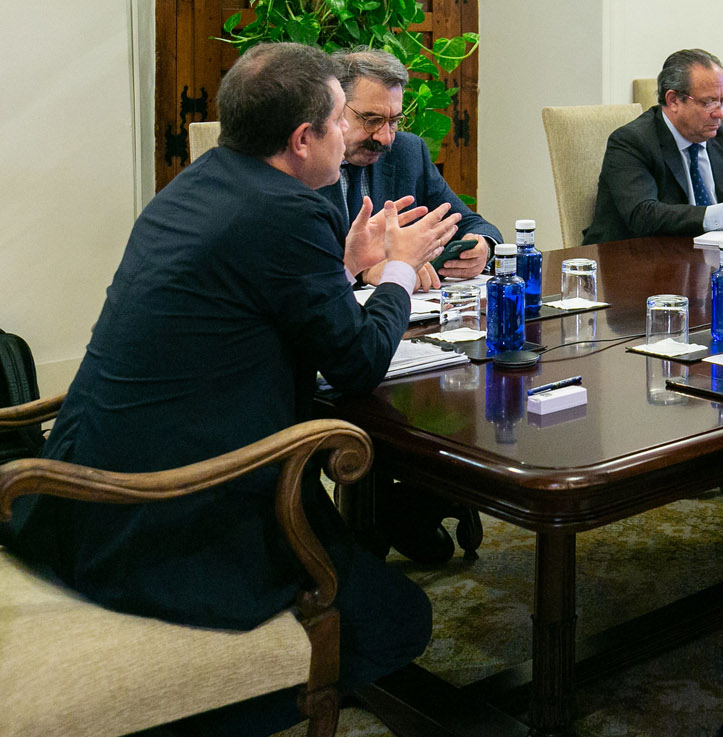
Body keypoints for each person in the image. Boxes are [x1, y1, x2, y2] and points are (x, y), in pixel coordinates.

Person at [5, 42, 459, 736]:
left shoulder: (206, 181)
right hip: (163, 518)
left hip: (77, 494)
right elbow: (357, 362)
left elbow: (263, 300)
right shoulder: (287, 211)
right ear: (303, 138)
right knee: (399, 622)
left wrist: (346, 271)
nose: (347, 137)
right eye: (341, 122)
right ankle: (193, 707)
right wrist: (395, 271)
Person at [319, 47, 503, 290]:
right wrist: (364, 272)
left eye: (394, 121)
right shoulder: (305, 163)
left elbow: (468, 223)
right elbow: (294, 272)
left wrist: (482, 247)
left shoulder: (407, 153)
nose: (385, 138)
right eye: (371, 120)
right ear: (335, 109)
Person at [582, 48, 723, 243]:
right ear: (673, 101)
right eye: (707, 102)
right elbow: (644, 215)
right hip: (633, 265)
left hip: (704, 259)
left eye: (722, 100)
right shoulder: (632, 142)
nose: (719, 113)